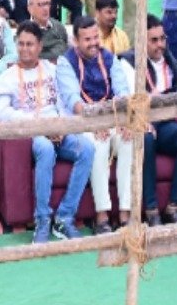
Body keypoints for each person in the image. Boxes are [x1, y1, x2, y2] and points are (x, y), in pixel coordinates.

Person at [0, 20, 93, 242]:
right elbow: (2, 112)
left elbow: (65, 101)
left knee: (87, 149)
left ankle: (64, 217)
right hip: (33, 133)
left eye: (30, 44)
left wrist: (62, 126)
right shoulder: (7, 77)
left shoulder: (52, 70)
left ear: (39, 46)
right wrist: (40, 126)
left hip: (58, 128)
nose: (25, 49)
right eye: (21, 44)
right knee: (45, 149)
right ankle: (42, 219)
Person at [56, 16, 132, 234]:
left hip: (112, 118)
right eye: (87, 39)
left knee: (129, 140)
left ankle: (125, 212)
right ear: (76, 41)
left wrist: (123, 120)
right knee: (98, 144)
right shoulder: (65, 62)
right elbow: (73, 101)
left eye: (95, 37)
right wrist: (96, 123)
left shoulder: (108, 57)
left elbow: (122, 91)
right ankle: (102, 215)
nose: (93, 43)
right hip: (83, 123)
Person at [129, 15, 177, 226]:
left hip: (165, 123)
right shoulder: (129, 62)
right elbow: (129, 99)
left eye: (162, 39)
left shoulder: (169, 61)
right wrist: (142, 121)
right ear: (141, 42)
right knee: (145, 139)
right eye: (153, 40)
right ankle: (151, 209)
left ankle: (174, 206)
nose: (160, 45)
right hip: (141, 123)